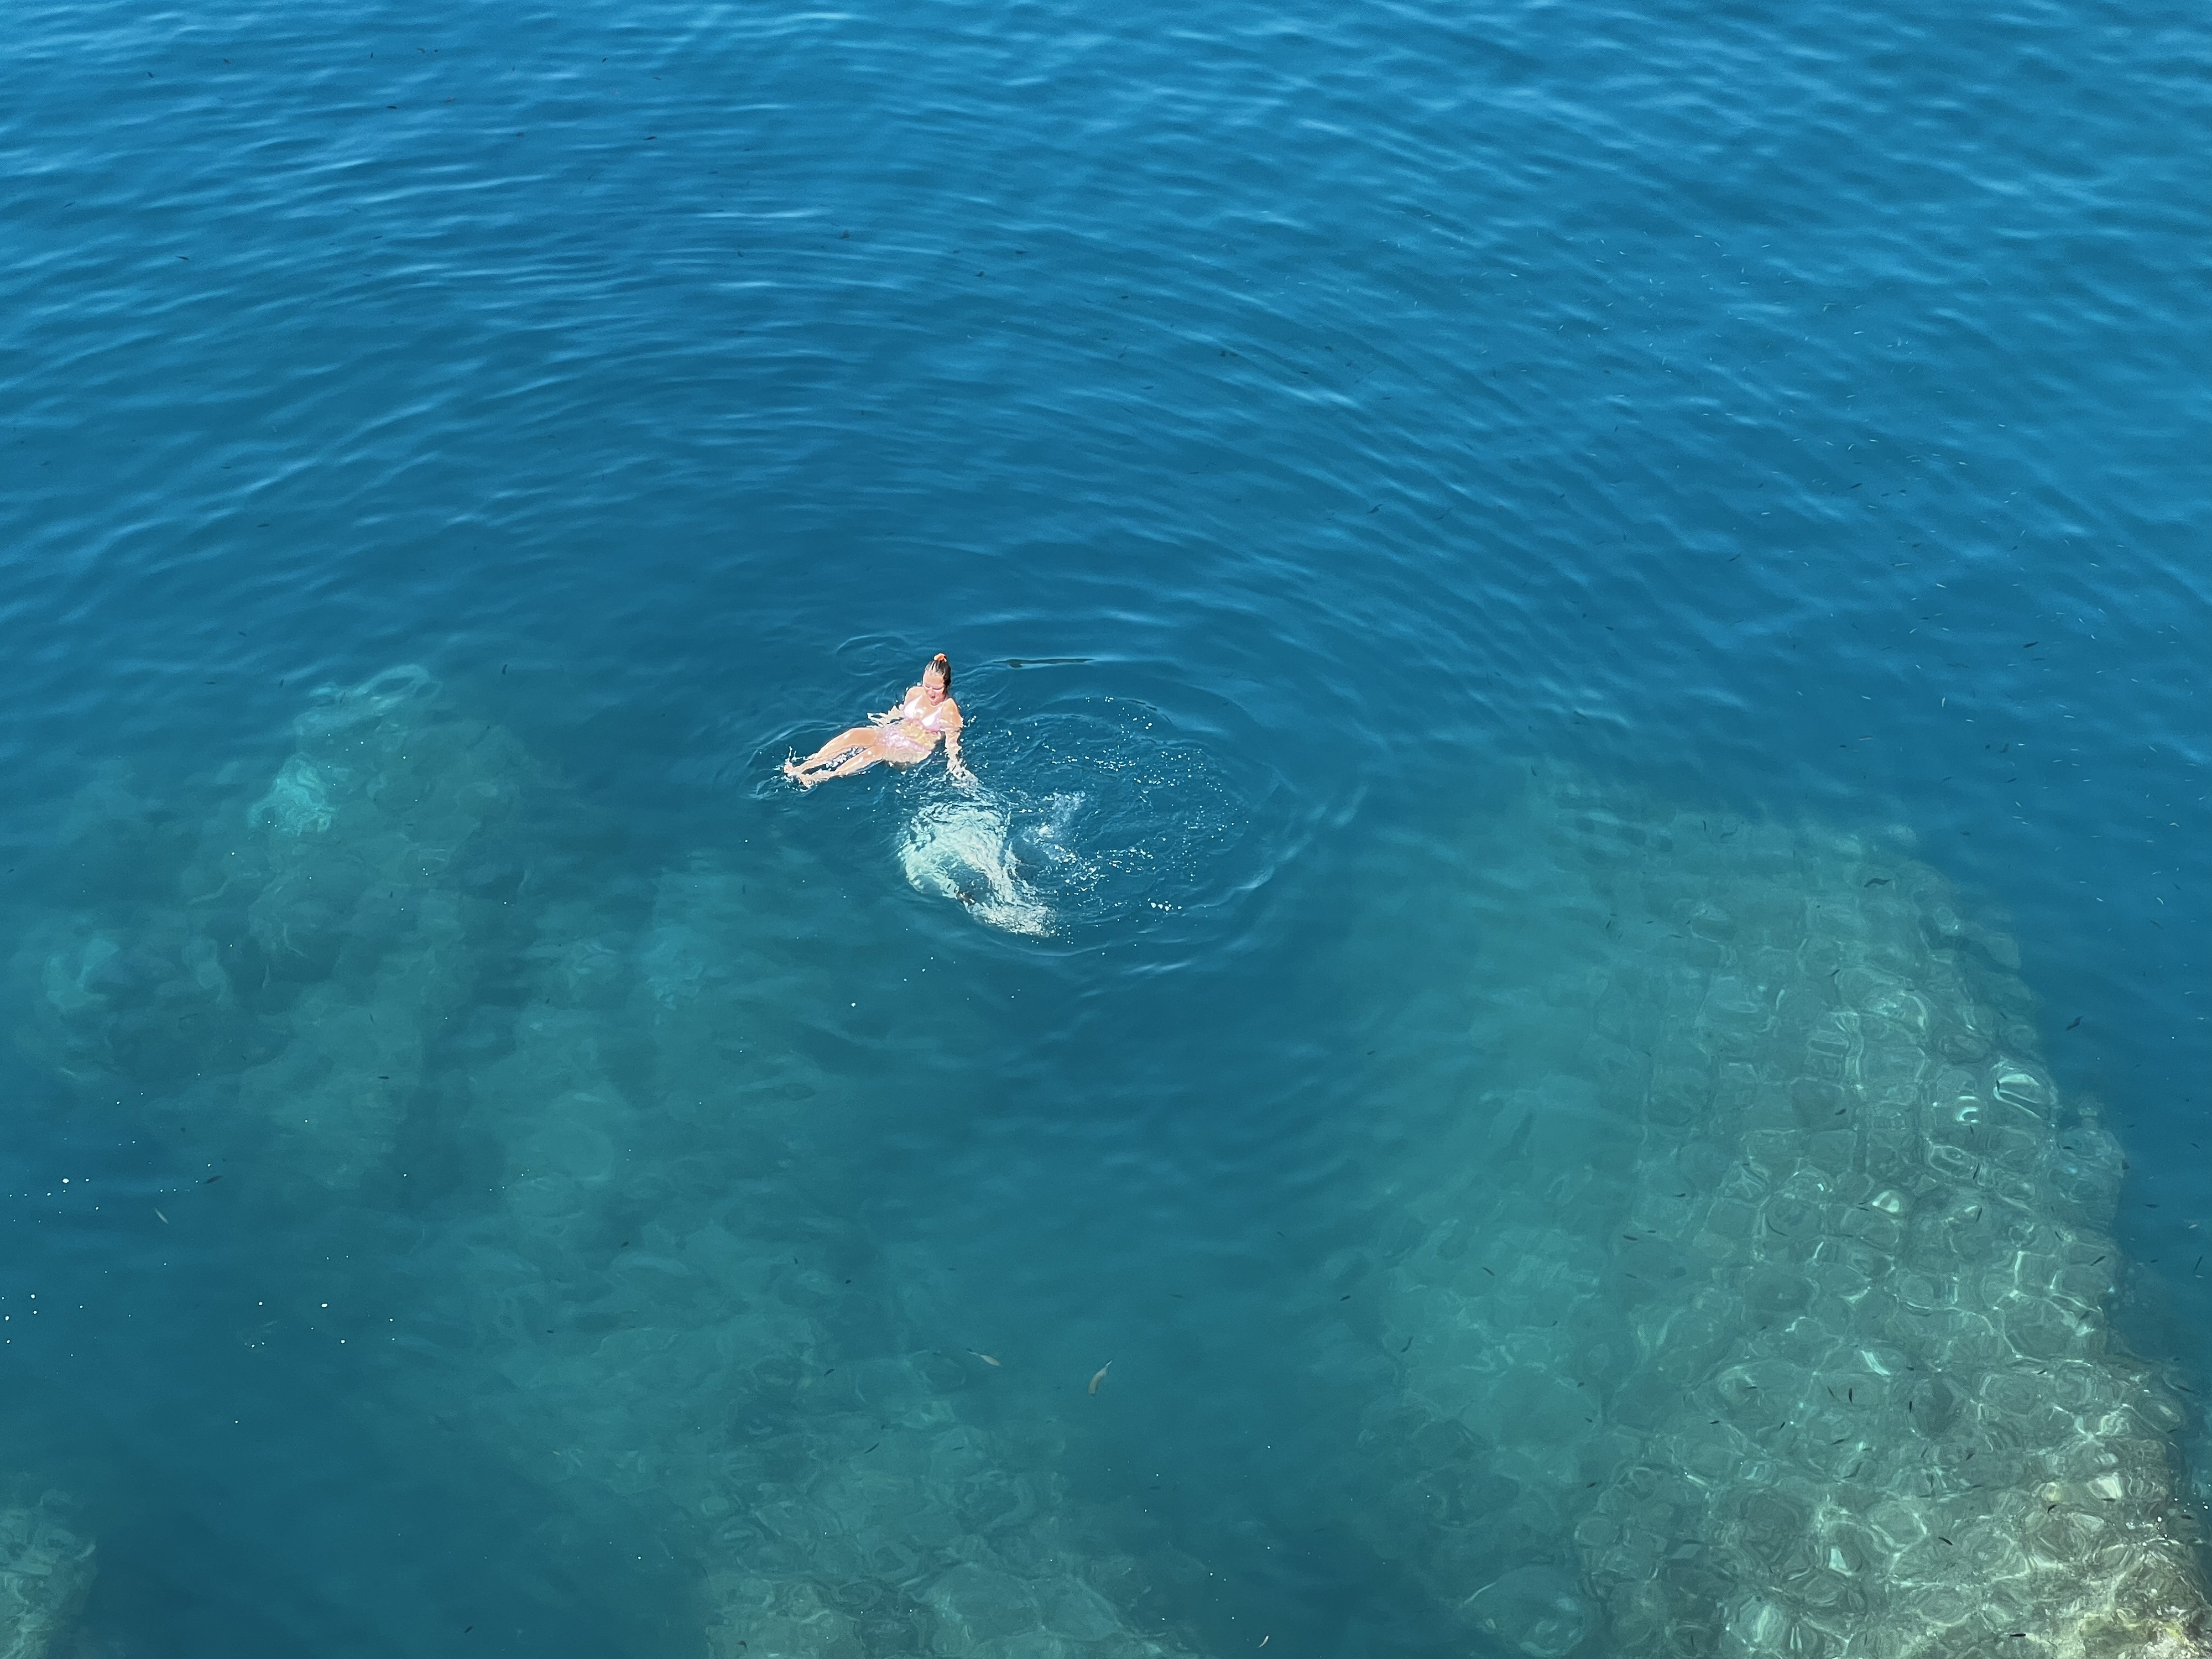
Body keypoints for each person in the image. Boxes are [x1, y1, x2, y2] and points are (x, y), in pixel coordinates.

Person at [784, 653, 973, 789]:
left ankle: (823, 776)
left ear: (947, 685)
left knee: (878, 751)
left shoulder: (949, 710)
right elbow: (899, 712)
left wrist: (955, 765)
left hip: (916, 749)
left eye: (936, 689)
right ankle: (806, 765)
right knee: (854, 734)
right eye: (927, 686)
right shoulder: (914, 693)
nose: (930, 692)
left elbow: (952, 742)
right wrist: (883, 723)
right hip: (895, 733)